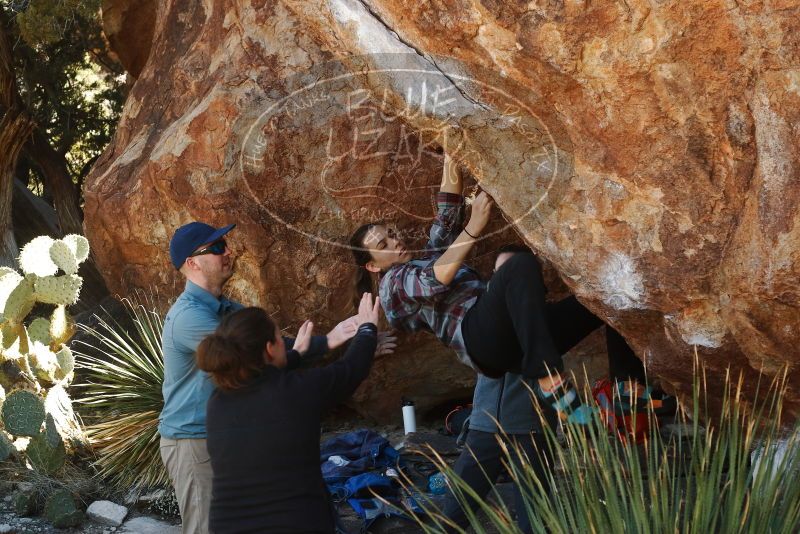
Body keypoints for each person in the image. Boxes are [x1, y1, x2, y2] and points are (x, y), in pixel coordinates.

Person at [349, 150, 599, 424]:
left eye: (392, 234)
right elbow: (435, 278)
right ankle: (547, 373)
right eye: (383, 246)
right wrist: (474, 226)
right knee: (515, 264)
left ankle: (631, 395)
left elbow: (448, 213)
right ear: (372, 266)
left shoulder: (429, 256)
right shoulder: (391, 286)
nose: (395, 242)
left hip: (516, 336)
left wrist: (452, 153)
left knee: (606, 305)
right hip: (483, 340)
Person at [158, 221, 365, 533]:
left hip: (224, 435)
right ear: (192, 263)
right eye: (216, 248)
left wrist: (332, 339)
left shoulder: (227, 308)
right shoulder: (189, 317)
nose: (228, 251)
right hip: (193, 441)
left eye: (225, 243)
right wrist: (332, 343)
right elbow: (257, 357)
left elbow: (270, 348)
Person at [441, 245, 654, 533]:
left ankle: (629, 394)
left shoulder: (550, 325)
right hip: (483, 431)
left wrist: (627, 386)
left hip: (532, 433)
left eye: (516, 274)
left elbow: (606, 310)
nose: (508, 282)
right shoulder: (484, 322)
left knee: (535, 519)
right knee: (451, 516)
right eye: (502, 274)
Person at [196, 293, 382, 533]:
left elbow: (261, 379)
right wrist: (368, 328)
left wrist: (296, 355)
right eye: (279, 338)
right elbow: (351, 369)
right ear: (269, 349)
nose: (285, 343)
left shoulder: (217, 404)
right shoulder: (296, 391)